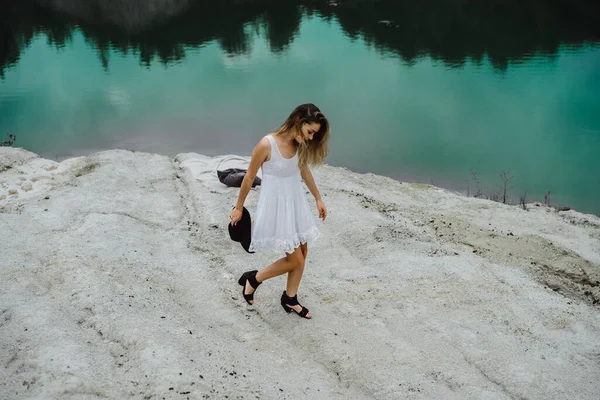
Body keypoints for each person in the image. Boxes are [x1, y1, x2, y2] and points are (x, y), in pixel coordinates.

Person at [229, 103, 330, 319]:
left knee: (303, 253)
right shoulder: (267, 145)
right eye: (310, 131)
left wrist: (318, 198)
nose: (311, 138)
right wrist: (238, 207)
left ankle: (290, 298)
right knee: (295, 260)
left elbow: (303, 171)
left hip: (295, 203)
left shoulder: (299, 143)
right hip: (277, 207)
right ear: (298, 122)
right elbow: (248, 177)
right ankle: (253, 279)